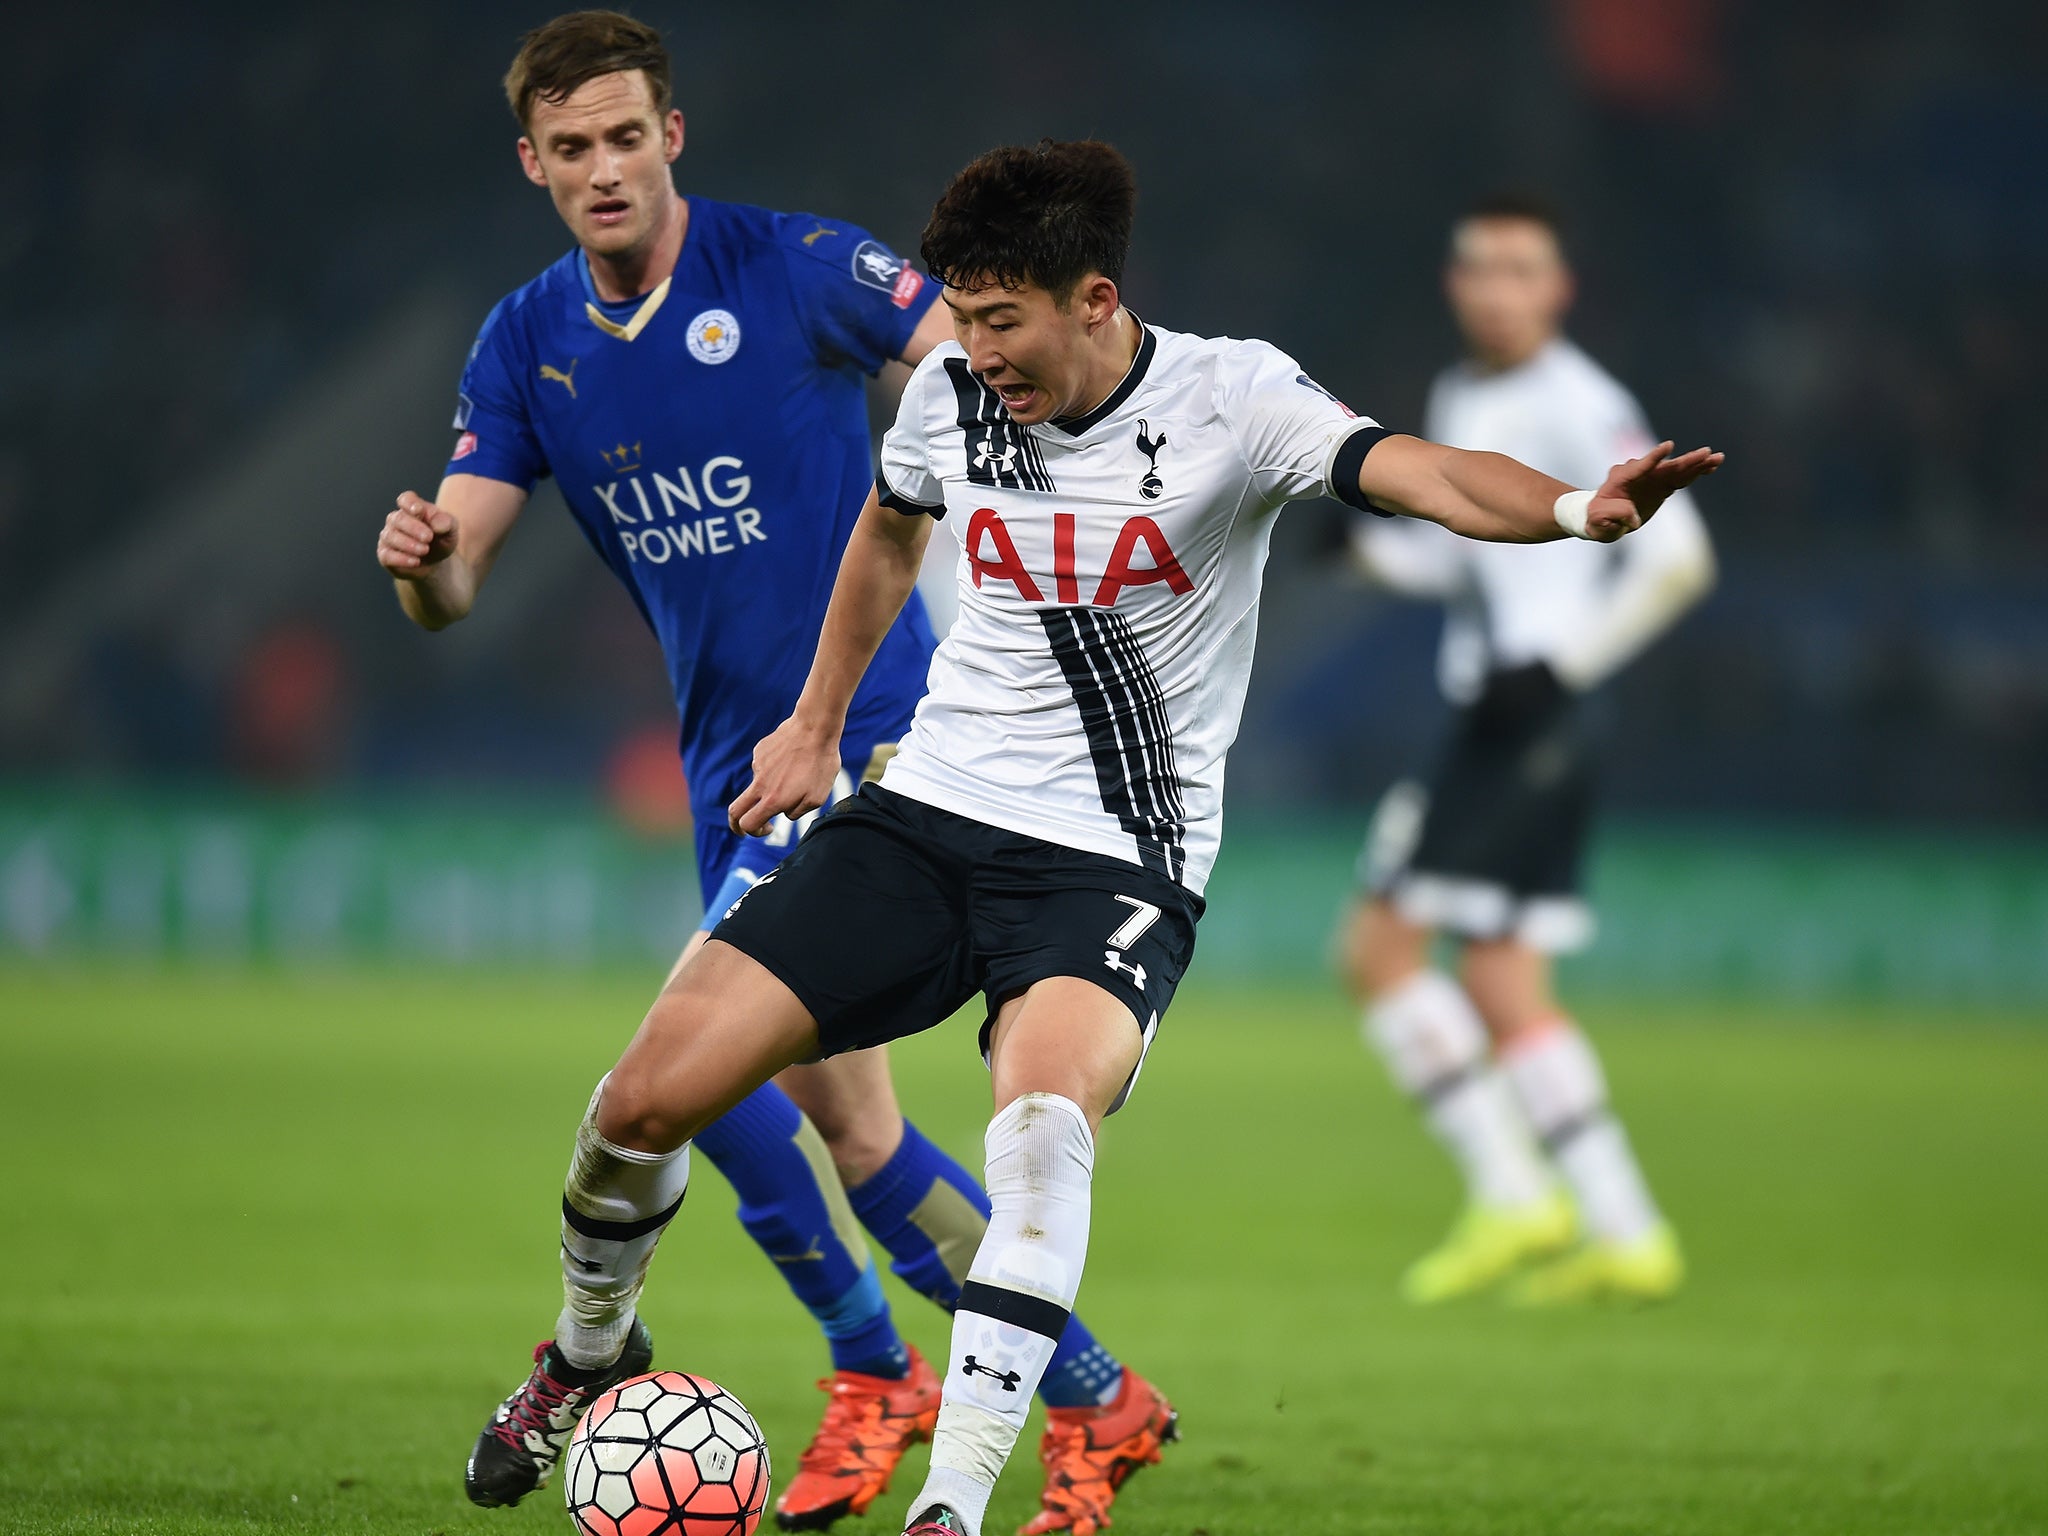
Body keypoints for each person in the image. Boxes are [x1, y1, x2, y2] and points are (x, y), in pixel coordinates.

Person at [495, 136, 1722, 1536]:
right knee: (643, 1102)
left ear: (1094, 300)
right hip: (925, 814)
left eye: (1001, 319)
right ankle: (588, 1351)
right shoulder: (950, 394)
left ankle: (951, 1505)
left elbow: (1423, 472)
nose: (972, 350)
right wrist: (817, 724)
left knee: (1038, 1132)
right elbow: (888, 534)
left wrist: (1573, 511)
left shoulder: (1233, 399)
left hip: (1110, 861)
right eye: (962, 317)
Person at [374, 17, 1164, 1530]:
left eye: (627, 136)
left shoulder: (796, 267)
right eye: (571, 148)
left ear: (671, 135)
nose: (604, 169)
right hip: (726, 766)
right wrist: (420, 565)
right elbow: (455, 582)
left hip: (865, 739)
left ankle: (781, 1365)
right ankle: (1087, 1393)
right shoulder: (525, 342)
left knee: (693, 1096)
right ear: (533, 163)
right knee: (851, 1132)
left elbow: (979, 362)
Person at [1335, 193, 1718, 1306]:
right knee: (1502, 977)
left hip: (1528, 718)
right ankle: (1626, 1231)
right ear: (1453, 285)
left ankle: (1512, 1193)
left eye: (1520, 270)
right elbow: (1476, 557)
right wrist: (1365, 556)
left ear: (1559, 289)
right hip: (1515, 713)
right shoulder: (1466, 392)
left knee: (1378, 950)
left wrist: (1559, 670)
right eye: (1480, 268)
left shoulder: (1575, 399)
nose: (1497, 289)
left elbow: (1677, 559)